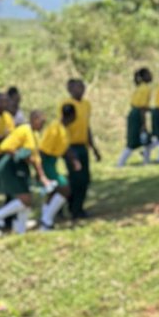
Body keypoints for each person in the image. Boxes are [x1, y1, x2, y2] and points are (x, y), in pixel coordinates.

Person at [0, 111, 45, 234]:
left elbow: (34, 156)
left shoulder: (34, 134)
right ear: (34, 119)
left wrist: (41, 174)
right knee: (24, 199)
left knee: (28, 199)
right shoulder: (25, 130)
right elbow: (5, 147)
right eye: (41, 122)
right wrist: (21, 156)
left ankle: (21, 230)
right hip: (10, 165)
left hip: (20, 167)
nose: (42, 125)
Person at [62, 78, 101, 221]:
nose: (81, 90)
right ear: (70, 90)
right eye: (78, 87)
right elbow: (62, 126)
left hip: (82, 145)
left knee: (85, 178)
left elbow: (87, 126)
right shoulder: (67, 105)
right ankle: (72, 208)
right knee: (76, 178)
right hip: (70, 146)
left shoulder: (86, 105)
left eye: (83, 87)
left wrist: (93, 147)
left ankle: (78, 207)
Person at [36, 102, 79, 231]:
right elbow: (43, 149)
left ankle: (45, 224)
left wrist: (73, 160)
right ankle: (46, 220)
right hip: (46, 161)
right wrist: (41, 171)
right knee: (64, 188)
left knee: (52, 192)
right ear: (72, 116)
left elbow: (65, 148)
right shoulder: (55, 128)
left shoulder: (64, 129)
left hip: (53, 161)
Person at [116, 68, 154, 168]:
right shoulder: (146, 88)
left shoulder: (140, 87)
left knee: (147, 140)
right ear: (144, 77)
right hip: (138, 114)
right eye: (149, 74)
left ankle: (146, 162)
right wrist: (144, 123)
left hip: (133, 113)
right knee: (133, 141)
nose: (151, 76)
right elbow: (142, 107)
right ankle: (120, 163)